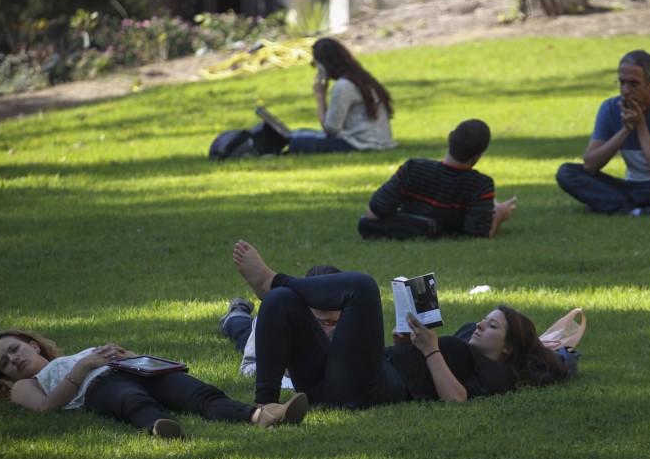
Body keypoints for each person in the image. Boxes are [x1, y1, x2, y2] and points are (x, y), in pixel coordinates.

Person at [232, 240, 570, 409]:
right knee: (282, 303)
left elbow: (456, 399)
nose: (481, 325)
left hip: (370, 388)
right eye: (485, 320)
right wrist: (409, 346)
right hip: (340, 381)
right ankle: (267, 407)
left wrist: (431, 349)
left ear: (509, 347)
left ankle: (273, 279)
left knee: (362, 288)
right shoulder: (472, 346)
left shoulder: (499, 374)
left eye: (493, 326)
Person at [0, 330, 309, 439]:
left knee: (200, 394)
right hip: (99, 387)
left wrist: (128, 355)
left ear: (32, 344)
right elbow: (46, 407)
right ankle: (158, 427)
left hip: (134, 370)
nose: (14, 359)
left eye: (14, 349)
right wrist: (84, 366)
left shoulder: (77, 354)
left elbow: (135, 360)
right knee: (131, 400)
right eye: (5, 363)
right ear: (6, 376)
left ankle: (264, 415)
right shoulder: (25, 385)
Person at [556, 50, 650, 215]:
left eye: (633, 84)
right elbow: (590, 165)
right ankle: (636, 209)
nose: (625, 90)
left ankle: (613, 204)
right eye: (621, 82)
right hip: (634, 185)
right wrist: (625, 130)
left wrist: (640, 125)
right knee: (567, 172)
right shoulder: (610, 108)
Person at [358, 118, 518, 239]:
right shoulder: (479, 185)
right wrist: (498, 215)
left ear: (450, 137)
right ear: (478, 157)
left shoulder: (413, 169)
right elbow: (478, 235)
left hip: (405, 227)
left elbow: (374, 212)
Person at [219, 264, 342, 382]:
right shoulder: (276, 318)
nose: (324, 330)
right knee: (242, 331)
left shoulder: (353, 320)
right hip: (268, 340)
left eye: (332, 322)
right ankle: (236, 312)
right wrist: (281, 370)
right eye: (318, 322)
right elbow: (247, 367)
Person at [285, 37, 397, 154]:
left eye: (316, 65)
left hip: (360, 144)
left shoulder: (343, 86)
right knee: (299, 132)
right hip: (378, 142)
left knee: (295, 142)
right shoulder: (361, 79)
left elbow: (331, 130)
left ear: (322, 66)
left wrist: (320, 95)